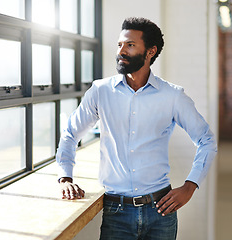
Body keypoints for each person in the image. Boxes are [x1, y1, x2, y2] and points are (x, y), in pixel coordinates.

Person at [56, 17, 217, 240]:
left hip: (161, 211)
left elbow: (206, 140)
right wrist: (65, 178)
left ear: (151, 51)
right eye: (120, 44)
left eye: (130, 45)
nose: (121, 50)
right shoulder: (100, 91)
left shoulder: (172, 96)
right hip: (116, 211)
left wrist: (190, 186)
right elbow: (71, 133)